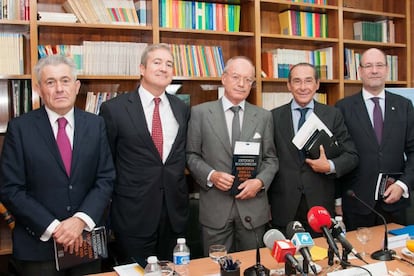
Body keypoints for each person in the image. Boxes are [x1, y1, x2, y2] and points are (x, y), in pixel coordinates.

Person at [0, 55, 115, 275]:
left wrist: (80, 221)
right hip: (37, 246)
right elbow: (10, 189)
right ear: (39, 89)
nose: (59, 89)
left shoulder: (96, 124)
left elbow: (105, 179)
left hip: (86, 240)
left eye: (65, 80)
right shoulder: (20, 129)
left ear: (76, 86)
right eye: (50, 82)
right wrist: (55, 227)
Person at [99, 44, 190, 265]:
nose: (164, 68)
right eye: (157, 62)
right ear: (142, 68)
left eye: (169, 64)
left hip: (173, 214)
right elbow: (106, 161)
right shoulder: (115, 109)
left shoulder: (182, 107)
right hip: (133, 215)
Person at [186, 56, 278, 255]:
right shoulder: (200, 113)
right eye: (236, 77)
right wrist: (212, 175)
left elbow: (271, 159)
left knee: (254, 266)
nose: (242, 84)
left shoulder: (263, 116)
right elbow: (191, 155)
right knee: (216, 268)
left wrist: (260, 182)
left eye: (248, 79)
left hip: (253, 209)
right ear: (224, 78)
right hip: (215, 210)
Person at [268, 62, 358, 236]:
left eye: (308, 81)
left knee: (322, 259)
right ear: (289, 85)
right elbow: (268, 159)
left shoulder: (333, 115)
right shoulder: (273, 116)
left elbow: (351, 156)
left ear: (317, 84)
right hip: (284, 207)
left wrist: (330, 165)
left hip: (320, 207)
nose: (303, 87)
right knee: (285, 260)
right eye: (297, 81)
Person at [335, 48, 414, 231]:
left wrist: (403, 185)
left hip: (395, 201)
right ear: (360, 71)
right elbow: (339, 156)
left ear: (387, 70)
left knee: (397, 257)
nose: (374, 70)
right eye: (368, 66)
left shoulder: (404, 106)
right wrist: (337, 200)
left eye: (379, 65)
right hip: (356, 203)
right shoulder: (343, 108)